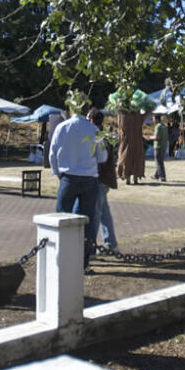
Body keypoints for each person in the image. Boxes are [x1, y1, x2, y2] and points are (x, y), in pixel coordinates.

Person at [49, 100, 107, 270]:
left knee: (61, 218)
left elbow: (52, 153)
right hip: (89, 178)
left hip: (68, 176)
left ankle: (61, 259)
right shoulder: (94, 129)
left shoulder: (62, 127)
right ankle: (83, 262)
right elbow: (102, 156)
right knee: (87, 221)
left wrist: (58, 173)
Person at [86, 108, 119, 257]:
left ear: (92, 120)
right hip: (104, 178)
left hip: (100, 178)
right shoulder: (104, 135)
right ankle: (111, 243)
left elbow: (100, 159)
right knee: (104, 213)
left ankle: (91, 248)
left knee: (96, 214)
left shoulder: (98, 136)